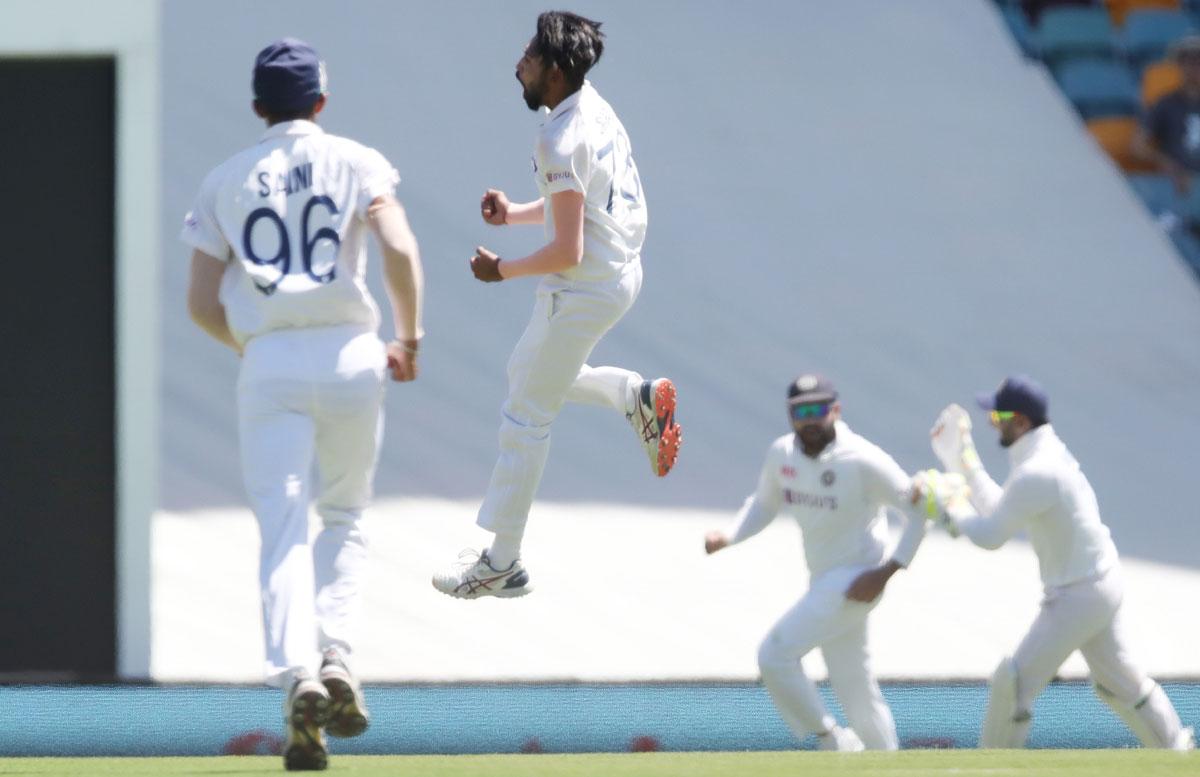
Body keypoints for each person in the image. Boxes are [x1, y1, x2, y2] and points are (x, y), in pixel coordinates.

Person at [181, 38, 424, 771]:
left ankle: (297, 675)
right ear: (321, 101)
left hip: (270, 359)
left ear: (258, 106)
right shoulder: (357, 161)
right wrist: (409, 337)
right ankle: (338, 654)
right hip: (353, 352)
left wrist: (252, 346)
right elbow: (399, 248)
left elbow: (198, 303)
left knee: (281, 526)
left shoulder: (224, 178)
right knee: (343, 515)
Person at [432, 11, 681, 599]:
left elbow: (567, 249)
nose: (519, 62)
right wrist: (517, 213)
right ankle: (633, 396)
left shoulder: (557, 136)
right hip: (618, 272)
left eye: (532, 55)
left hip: (584, 288)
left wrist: (502, 269)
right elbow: (582, 211)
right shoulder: (594, 106)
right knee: (531, 375)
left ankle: (502, 562)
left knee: (526, 415)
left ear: (557, 70)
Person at [920, 375, 1194, 750]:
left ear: (1020, 421)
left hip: (1077, 593)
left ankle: (988, 767)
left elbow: (990, 535)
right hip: (1098, 582)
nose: (992, 423)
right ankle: (1177, 755)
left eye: (997, 417)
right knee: (1122, 683)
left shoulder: (1038, 471)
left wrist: (952, 504)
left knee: (1011, 684)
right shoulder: (1041, 457)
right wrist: (962, 460)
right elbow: (1002, 510)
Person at [704, 375, 926, 751]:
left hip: (858, 579)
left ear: (835, 411)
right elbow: (764, 504)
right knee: (855, 688)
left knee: (774, 655)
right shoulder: (782, 454)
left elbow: (919, 513)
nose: (809, 420)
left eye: (817, 410)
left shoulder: (863, 459)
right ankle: (889, 762)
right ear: (790, 415)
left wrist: (887, 572)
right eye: (800, 412)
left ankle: (829, 740)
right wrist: (729, 535)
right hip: (823, 579)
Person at [1134, 35, 1200, 195]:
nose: (1196, 67)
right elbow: (1138, 146)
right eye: (1190, 61)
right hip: (1177, 183)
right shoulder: (1165, 103)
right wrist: (1168, 164)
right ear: (1180, 64)